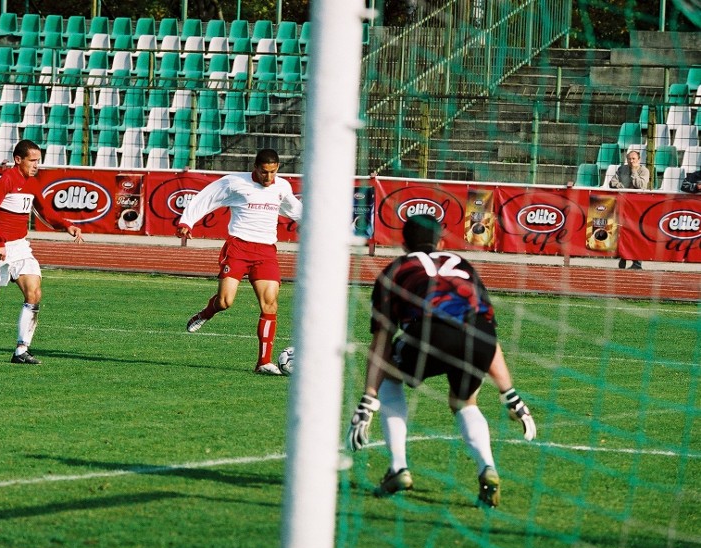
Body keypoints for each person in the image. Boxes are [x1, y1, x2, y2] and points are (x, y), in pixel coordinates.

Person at [347, 214, 536, 508]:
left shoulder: (396, 269)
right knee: (465, 402)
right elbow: (489, 331)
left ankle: (398, 468)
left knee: (391, 378)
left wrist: (368, 399)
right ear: (442, 242)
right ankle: (487, 467)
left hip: (430, 333)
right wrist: (508, 392)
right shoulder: (463, 265)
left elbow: (381, 340)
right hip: (479, 339)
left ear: (403, 243)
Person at [176, 148, 303, 375]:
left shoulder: (282, 186)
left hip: (266, 251)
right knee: (225, 302)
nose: (269, 178)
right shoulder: (234, 183)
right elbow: (206, 198)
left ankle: (263, 362)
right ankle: (205, 313)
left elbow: (291, 207)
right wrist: (187, 221)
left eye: (273, 172)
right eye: (264, 173)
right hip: (238, 248)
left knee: (270, 304)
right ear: (255, 168)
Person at [0, 139, 84, 364]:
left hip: (20, 247)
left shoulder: (31, 182)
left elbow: (44, 210)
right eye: (32, 160)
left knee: (34, 293)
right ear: (18, 159)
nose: (36, 165)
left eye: (38, 161)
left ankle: (21, 350)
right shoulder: (6, 180)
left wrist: (65, 224)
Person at [609, 150, 650, 270]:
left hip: (637, 205)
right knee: (621, 229)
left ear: (639, 160)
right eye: (629, 159)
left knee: (635, 232)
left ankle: (637, 262)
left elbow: (641, 185)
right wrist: (621, 187)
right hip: (622, 203)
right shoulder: (622, 169)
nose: (631, 161)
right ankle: (623, 256)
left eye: (633, 159)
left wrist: (634, 172)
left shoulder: (644, 171)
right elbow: (613, 182)